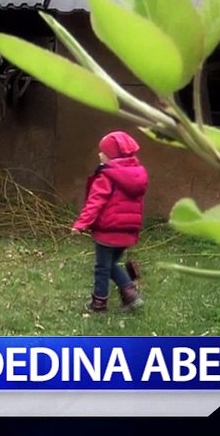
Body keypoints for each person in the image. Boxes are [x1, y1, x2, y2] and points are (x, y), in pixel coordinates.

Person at [70, 131, 147, 313]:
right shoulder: (137, 174)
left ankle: (101, 303)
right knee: (110, 264)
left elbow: (95, 203)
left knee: (102, 267)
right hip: (128, 230)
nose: (99, 154)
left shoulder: (107, 176)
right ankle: (129, 296)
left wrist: (81, 224)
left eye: (102, 152)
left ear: (112, 156)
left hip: (108, 230)